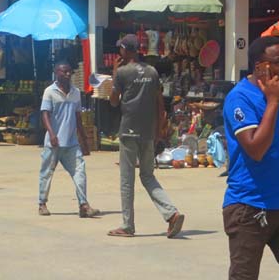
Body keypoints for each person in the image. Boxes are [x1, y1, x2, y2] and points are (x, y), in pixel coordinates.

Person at [222, 37, 279, 279]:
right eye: (278, 62)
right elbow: (255, 149)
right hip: (249, 206)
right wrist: (273, 101)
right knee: (244, 276)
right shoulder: (240, 98)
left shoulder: (277, 97)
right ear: (259, 66)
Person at [107, 34, 184, 238]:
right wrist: (159, 130)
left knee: (127, 179)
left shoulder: (122, 72)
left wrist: (115, 72)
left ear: (125, 50)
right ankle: (171, 213)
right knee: (148, 175)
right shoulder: (152, 71)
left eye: (120, 49)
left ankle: (127, 225)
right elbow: (160, 104)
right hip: (148, 132)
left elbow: (114, 101)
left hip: (129, 130)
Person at [38, 61, 99, 218]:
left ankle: (83, 205)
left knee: (80, 172)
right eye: (63, 72)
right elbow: (45, 114)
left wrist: (84, 140)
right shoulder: (49, 92)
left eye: (69, 72)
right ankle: (42, 203)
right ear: (56, 73)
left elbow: (78, 117)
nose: (67, 74)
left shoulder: (76, 92)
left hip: (71, 143)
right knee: (46, 173)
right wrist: (51, 134)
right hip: (54, 143)